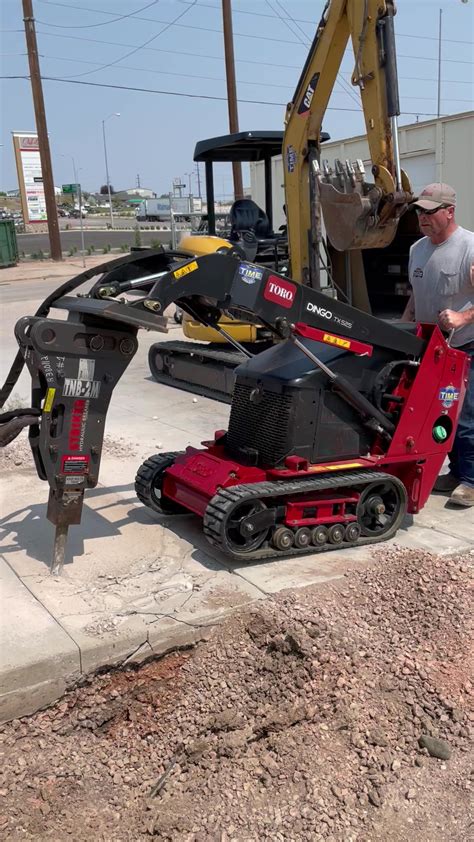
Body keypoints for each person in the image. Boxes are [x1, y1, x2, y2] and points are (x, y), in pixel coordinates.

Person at [402, 183, 474, 507]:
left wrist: (462, 317)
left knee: (467, 415)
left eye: (430, 211)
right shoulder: (417, 249)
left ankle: (471, 481)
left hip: (466, 347)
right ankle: (456, 472)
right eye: (420, 211)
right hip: (431, 350)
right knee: (440, 414)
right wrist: (402, 330)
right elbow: (415, 297)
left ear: (449, 211)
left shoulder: (469, 247)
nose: (422, 217)